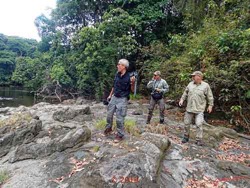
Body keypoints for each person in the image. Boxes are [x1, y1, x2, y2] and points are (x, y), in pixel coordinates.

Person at [179, 71, 214, 146]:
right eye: (192, 76)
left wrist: (210, 105)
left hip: (199, 109)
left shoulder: (205, 86)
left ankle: (199, 139)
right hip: (189, 108)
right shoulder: (190, 84)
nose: (192, 77)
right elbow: (185, 92)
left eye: (194, 76)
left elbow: (210, 96)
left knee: (199, 124)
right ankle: (186, 136)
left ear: (199, 77)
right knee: (186, 123)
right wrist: (182, 99)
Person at [104, 59, 135, 142]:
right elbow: (114, 86)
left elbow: (132, 91)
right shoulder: (117, 74)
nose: (117, 66)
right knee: (109, 115)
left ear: (124, 66)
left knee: (119, 118)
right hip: (114, 97)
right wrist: (110, 95)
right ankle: (108, 128)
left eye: (119, 64)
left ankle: (120, 135)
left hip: (123, 99)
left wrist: (133, 83)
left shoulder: (129, 77)